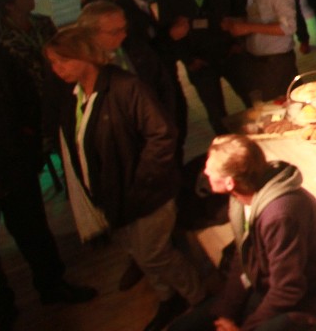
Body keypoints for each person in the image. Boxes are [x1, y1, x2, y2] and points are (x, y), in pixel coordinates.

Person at [45, 27, 205, 331]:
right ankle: (169, 298)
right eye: (53, 63)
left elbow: (162, 135)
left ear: (84, 56)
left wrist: (140, 184)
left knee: (154, 254)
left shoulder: (124, 87)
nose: (57, 69)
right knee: (139, 252)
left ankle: (200, 300)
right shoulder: (76, 95)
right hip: (114, 196)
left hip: (145, 195)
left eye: (62, 61)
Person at [173, 134, 316, 331]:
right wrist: (226, 312)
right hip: (268, 284)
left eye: (211, 169)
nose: (205, 171)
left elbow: (289, 288)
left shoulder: (279, 215)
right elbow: (243, 256)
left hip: (311, 299)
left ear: (230, 182)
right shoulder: (241, 197)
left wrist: (246, 327)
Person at [0, 34, 97, 322]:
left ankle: (52, 285)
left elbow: (25, 93)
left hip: (12, 162)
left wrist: (28, 140)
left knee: (33, 229)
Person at [157, 0, 250, 129]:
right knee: (215, 111)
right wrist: (188, 60)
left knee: (251, 97)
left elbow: (239, 10)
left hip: (230, 51)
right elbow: (169, 32)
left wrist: (239, 42)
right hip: (199, 60)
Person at [112, 0, 188, 153]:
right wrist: (171, 36)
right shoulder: (124, 12)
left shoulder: (138, 4)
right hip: (152, 85)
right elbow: (141, 51)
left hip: (162, 79)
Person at [224, 0, 298, 103]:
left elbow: (288, 27)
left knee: (283, 104)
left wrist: (248, 27)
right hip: (260, 59)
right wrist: (239, 22)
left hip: (277, 62)